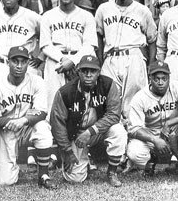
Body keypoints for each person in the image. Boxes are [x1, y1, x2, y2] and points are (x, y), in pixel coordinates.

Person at [0, 46, 56, 189]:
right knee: (4, 182)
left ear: (28, 63)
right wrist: (14, 122)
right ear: (8, 62)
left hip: (27, 125)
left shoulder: (37, 81)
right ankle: (2, 167)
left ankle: (43, 175)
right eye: (15, 61)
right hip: (4, 129)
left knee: (43, 129)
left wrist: (23, 120)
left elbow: (42, 112)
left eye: (23, 61)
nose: (19, 66)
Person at [50, 55, 127, 186]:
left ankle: (112, 172)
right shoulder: (65, 92)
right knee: (74, 178)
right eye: (85, 71)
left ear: (99, 72)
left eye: (93, 71)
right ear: (78, 71)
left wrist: (90, 132)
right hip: (76, 135)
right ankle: (84, 162)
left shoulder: (108, 85)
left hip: (98, 130)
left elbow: (114, 115)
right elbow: (57, 124)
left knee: (119, 131)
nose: (88, 75)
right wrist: (67, 151)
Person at [95, 0, 157, 119]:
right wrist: (99, 59)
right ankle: (114, 133)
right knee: (108, 97)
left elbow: (152, 39)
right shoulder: (104, 9)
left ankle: (134, 133)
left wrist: (152, 63)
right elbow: (98, 34)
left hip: (134, 56)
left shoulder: (142, 10)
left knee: (134, 100)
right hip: (111, 57)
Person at [126, 61, 178, 182]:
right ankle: (152, 159)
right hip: (152, 133)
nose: (160, 82)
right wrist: (155, 140)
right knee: (134, 152)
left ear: (169, 78)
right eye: (156, 79)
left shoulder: (176, 87)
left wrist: (169, 123)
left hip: (174, 130)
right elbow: (133, 128)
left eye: (164, 78)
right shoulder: (140, 97)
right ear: (150, 78)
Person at [40, 0, 98, 112]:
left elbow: (90, 45)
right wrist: (63, 60)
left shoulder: (86, 16)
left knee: (82, 103)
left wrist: (73, 61)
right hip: (55, 62)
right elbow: (45, 44)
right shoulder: (48, 16)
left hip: (80, 61)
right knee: (53, 102)